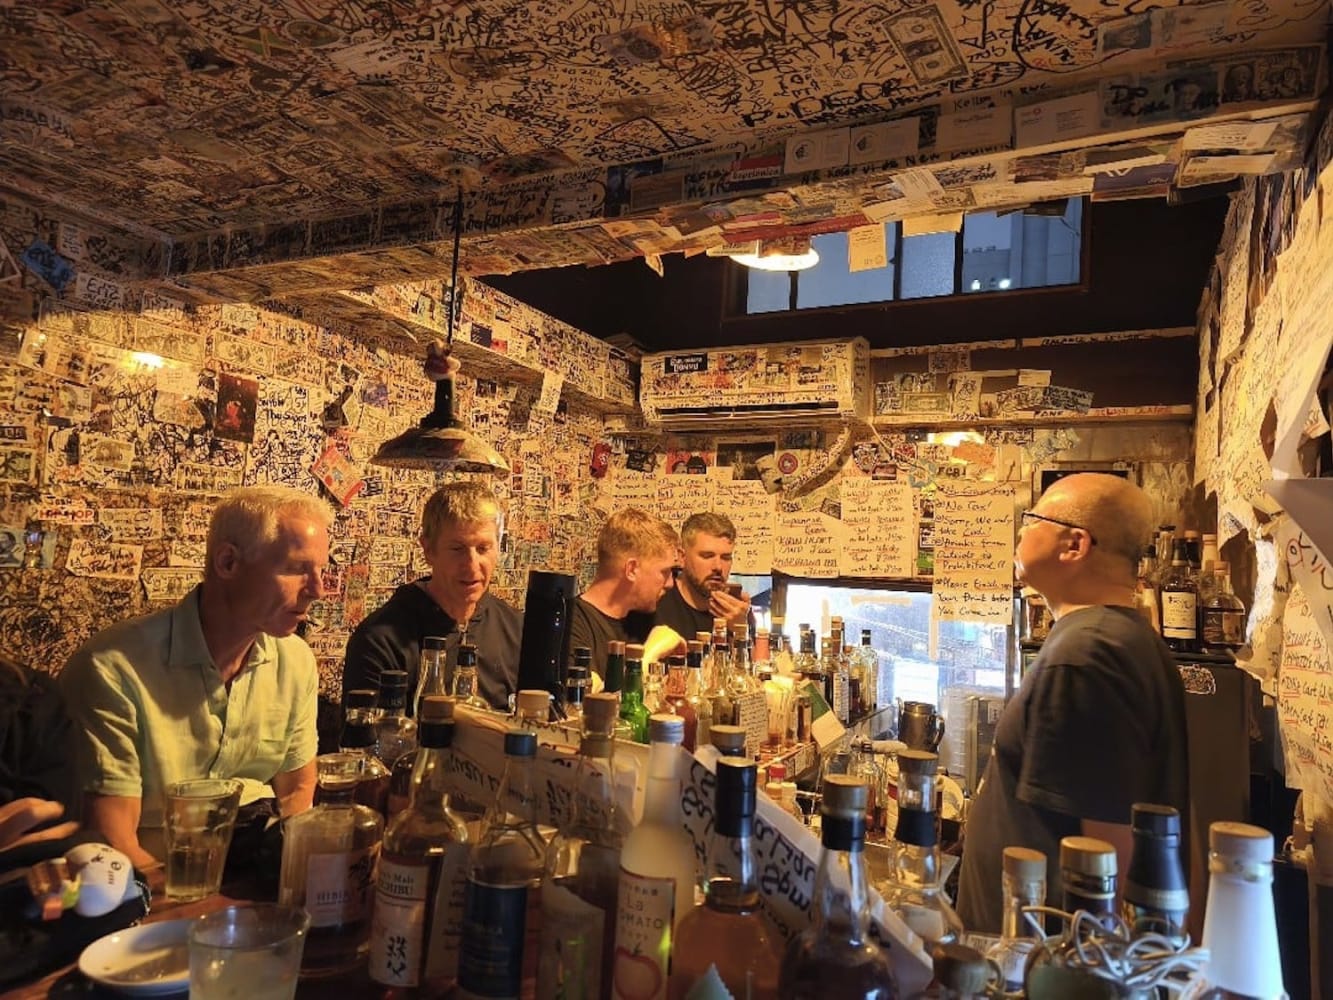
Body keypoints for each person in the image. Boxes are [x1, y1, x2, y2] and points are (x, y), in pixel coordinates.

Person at [956, 474, 1189, 934]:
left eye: (1032, 519)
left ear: (1074, 545)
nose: (1020, 531)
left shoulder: (1084, 657)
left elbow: (1106, 867)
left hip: (1042, 955)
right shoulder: (1121, 638)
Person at [61, 486, 329, 869]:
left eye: (321, 570)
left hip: (253, 875)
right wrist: (194, 896)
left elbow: (298, 790)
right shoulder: (112, 668)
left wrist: (287, 873)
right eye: (296, 568)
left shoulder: (295, 661)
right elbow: (112, 842)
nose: (317, 590)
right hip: (149, 886)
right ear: (228, 562)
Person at [343, 481, 521, 712]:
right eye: (457, 549)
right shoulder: (380, 640)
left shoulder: (517, 629)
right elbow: (368, 732)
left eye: (483, 548)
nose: (471, 565)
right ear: (428, 550)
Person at [569, 508, 680, 673]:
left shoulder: (648, 619)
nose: (670, 583)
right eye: (664, 572)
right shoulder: (571, 624)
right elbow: (592, 691)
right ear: (632, 569)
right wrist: (650, 654)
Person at [654, 512, 752, 638]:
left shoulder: (736, 610)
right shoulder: (657, 603)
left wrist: (740, 630)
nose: (718, 567)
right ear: (682, 557)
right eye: (707, 556)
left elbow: (760, 651)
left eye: (726, 558)